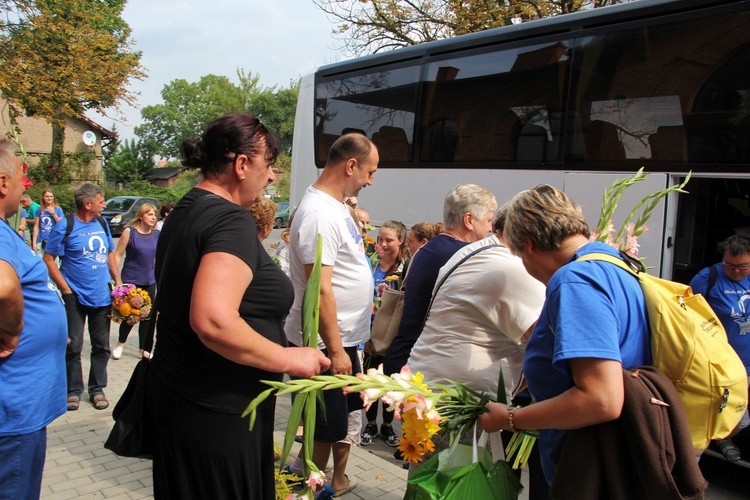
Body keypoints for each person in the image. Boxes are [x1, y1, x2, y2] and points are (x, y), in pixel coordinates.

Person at [145, 113, 329, 499]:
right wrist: (288, 359)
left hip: (186, 399)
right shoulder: (230, 219)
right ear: (242, 165)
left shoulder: (186, 208)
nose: (273, 176)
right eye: (269, 165)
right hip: (219, 412)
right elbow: (213, 320)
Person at [477, 184, 652, 489]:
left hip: (590, 463)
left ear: (529, 246)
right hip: (614, 452)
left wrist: (511, 419)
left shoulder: (575, 280)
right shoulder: (613, 261)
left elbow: (602, 399)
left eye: (519, 255)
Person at [285, 132, 379, 496]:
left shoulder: (336, 205)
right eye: (369, 171)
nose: (370, 180)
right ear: (350, 165)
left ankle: (319, 483)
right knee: (321, 426)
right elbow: (318, 288)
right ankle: (308, 488)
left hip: (343, 338)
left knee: (335, 424)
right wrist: (336, 350)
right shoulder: (319, 213)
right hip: (324, 343)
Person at [0, 141, 67, 499]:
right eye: (20, 179)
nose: (24, 188)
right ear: (2, 183)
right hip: (12, 410)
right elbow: (3, 286)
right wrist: (13, 333)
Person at [383, 184, 497, 377]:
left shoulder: (426, 250)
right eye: (488, 220)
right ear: (469, 220)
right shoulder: (467, 255)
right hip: (422, 367)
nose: (490, 228)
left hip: (403, 356)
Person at [44, 183, 121, 412]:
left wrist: (118, 282)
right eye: (101, 200)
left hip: (102, 296)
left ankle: (97, 389)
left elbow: (109, 253)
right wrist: (65, 289)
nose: (104, 204)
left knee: (101, 346)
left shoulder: (101, 222)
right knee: (73, 346)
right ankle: (73, 391)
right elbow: (49, 259)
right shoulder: (65, 226)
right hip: (74, 297)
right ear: (88, 204)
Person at [689, 234, 750, 461]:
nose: (735, 271)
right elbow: (686, 314)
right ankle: (692, 461)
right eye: (729, 265)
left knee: (739, 420)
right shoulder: (709, 277)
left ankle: (722, 437)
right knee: (728, 415)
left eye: (742, 266)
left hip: (747, 363)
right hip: (720, 363)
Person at [361, 220, 408, 447]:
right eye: (380, 239)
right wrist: (364, 334)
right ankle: (370, 423)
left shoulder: (404, 269)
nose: (382, 244)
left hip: (391, 337)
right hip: (368, 332)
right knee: (371, 380)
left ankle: (387, 425)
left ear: (400, 240)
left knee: (391, 383)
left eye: (388, 240)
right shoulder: (369, 263)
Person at [111, 203, 159, 361]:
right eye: (150, 214)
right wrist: (116, 278)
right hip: (132, 280)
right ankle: (120, 343)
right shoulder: (129, 232)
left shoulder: (157, 234)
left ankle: (144, 349)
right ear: (141, 216)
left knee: (147, 316)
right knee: (131, 315)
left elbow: (157, 258)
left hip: (149, 280)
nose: (153, 217)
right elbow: (118, 254)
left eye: (154, 215)